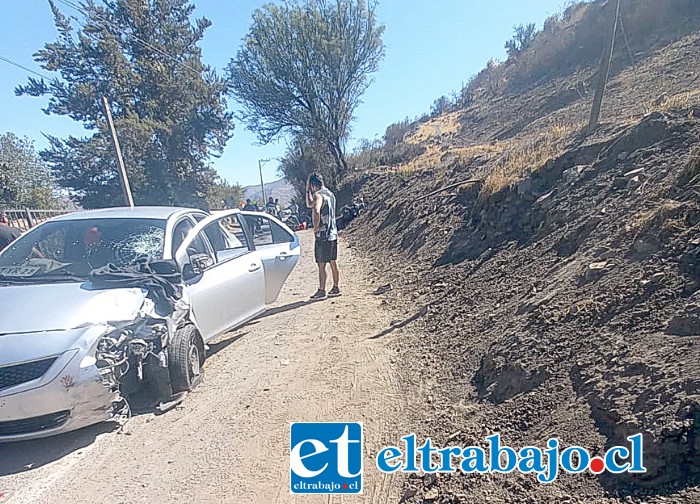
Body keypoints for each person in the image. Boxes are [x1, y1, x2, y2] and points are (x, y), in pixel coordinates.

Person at [306, 172, 340, 299]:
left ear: (313, 185)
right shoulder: (330, 194)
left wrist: (315, 228)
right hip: (333, 233)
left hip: (322, 235)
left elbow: (315, 210)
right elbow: (310, 204)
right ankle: (336, 287)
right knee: (333, 261)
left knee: (321, 264)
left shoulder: (318, 195)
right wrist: (307, 192)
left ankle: (321, 290)